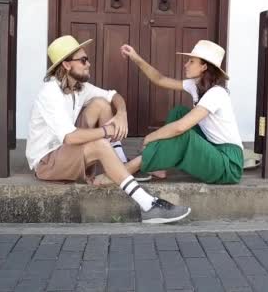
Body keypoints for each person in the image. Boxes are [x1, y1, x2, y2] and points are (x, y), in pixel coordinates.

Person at [25, 35, 191, 223]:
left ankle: (120, 166)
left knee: (101, 104)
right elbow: (69, 138)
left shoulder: (79, 87)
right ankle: (148, 205)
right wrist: (106, 131)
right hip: (47, 162)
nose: (89, 64)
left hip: (66, 152)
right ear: (66, 65)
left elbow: (114, 96)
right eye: (83, 60)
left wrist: (121, 113)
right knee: (100, 144)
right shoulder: (50, 93)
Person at [120, 40, 244, 184]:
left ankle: (127, 169)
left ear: (204, 66)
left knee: (182, 132)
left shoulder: (216, 93)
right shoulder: (195, 85)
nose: (186, 64)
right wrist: (135, 57)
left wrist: (150, 137)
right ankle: (159, 166)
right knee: (179, 112)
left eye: (191, 61)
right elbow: (159, 79)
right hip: (212, 147)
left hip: (228, 164)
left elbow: (180, 128)